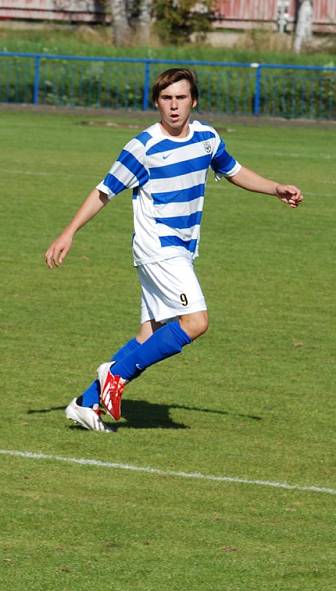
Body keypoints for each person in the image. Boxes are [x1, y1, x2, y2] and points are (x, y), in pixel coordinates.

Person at [44, 68, 303, 433]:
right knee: (196, 322)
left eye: (181, 98)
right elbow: (104, 191)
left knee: (149, 335)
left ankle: (86, 404)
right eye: (167, 99)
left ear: (193, 100)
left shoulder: (207, 138)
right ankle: (114, 373)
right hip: (158, 248)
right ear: (156, 103)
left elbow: (234, 171)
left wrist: (275, 188)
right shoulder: (143, 147)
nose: (174, 106)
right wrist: (69, 232)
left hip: (181, 248)